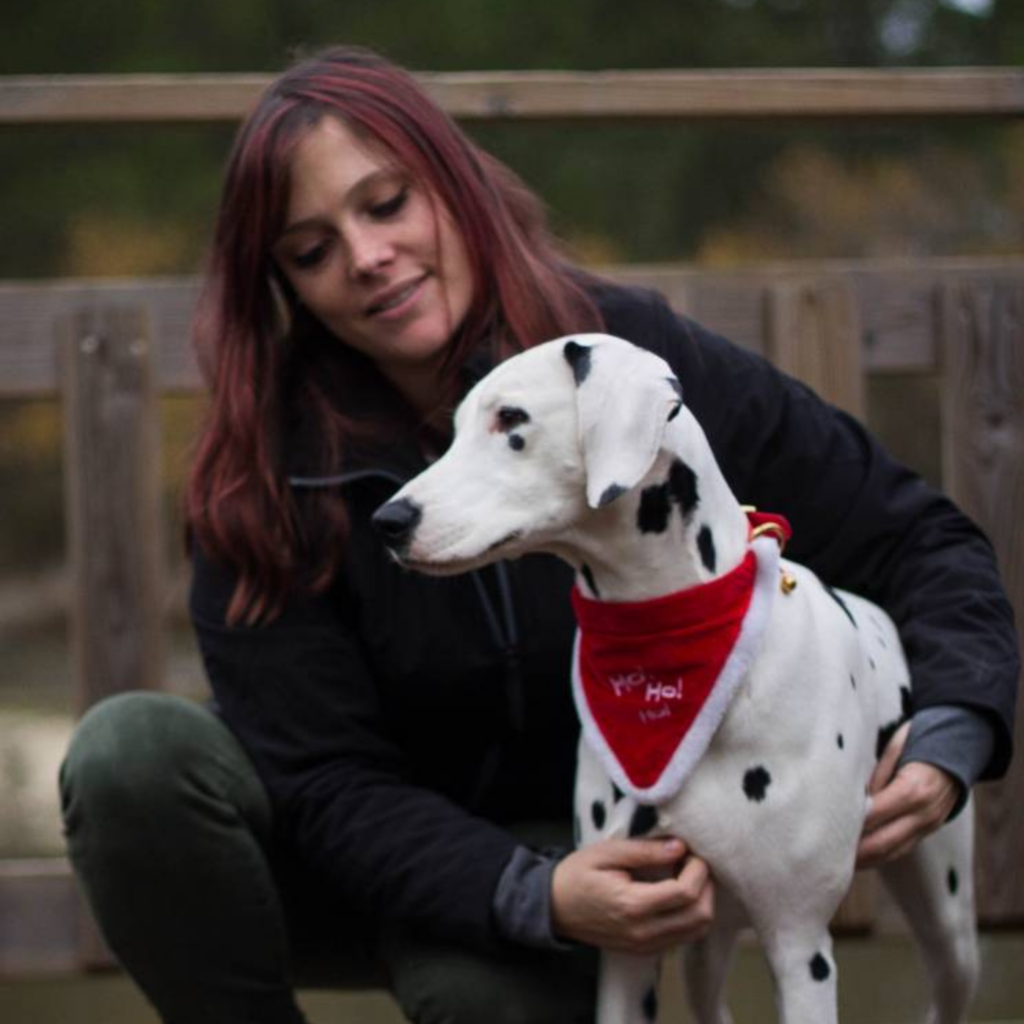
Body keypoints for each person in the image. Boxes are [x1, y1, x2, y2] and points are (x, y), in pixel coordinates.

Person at [59, 45, 1018, 1024]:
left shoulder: (634, 369)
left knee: (485, 1003)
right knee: (129, 753)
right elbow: (319, 777)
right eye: (309, 251)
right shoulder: (263, 468)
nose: (365, 256)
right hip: (358, 855)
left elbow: (914, 536)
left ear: (453, 183)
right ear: (284, 286)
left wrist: (953, 725)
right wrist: (525, 893)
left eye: (386, 203)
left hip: (595, 843)